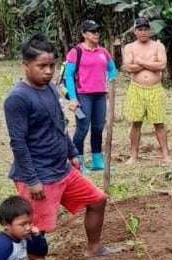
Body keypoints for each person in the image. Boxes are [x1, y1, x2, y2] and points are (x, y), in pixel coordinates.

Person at [4, 34, 121, 258]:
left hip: (62, 168)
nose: (48, 71)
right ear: (25, 65)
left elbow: (60, 124)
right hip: (39, 175)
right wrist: (32, 180)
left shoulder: (50, 89)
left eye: (51, 66)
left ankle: (94, 249)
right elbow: (18, 143)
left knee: (97, 199)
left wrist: (72, 153)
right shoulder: (17, 99)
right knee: (36, 230)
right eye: (41, 66)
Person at [64, 19, 118, 171]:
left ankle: (97, 160)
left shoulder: (103, 52)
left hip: (100, 96)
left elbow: (113, 70)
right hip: (83, 95)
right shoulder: (76, 52)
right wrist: (73, 99)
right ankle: (77, 162)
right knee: (82, 129)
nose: (96, 34)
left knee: (98, 127)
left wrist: (107, 83)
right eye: (92, 31)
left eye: (97, 31)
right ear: (84, 34)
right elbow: (68, 76)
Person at [123, 17, 170, 165]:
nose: (143, 32)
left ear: (149, 30)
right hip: (136, 89)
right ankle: (134, 155)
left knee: (159, 123)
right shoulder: (129, 47)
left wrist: (141, 62)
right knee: (136, 122)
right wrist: (152, 64)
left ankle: (165, 154)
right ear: (135, 31)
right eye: (140, 29)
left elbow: (162, 65)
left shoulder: (158, 46)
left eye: (146, 29)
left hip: (155, 89)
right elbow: (128, 67)